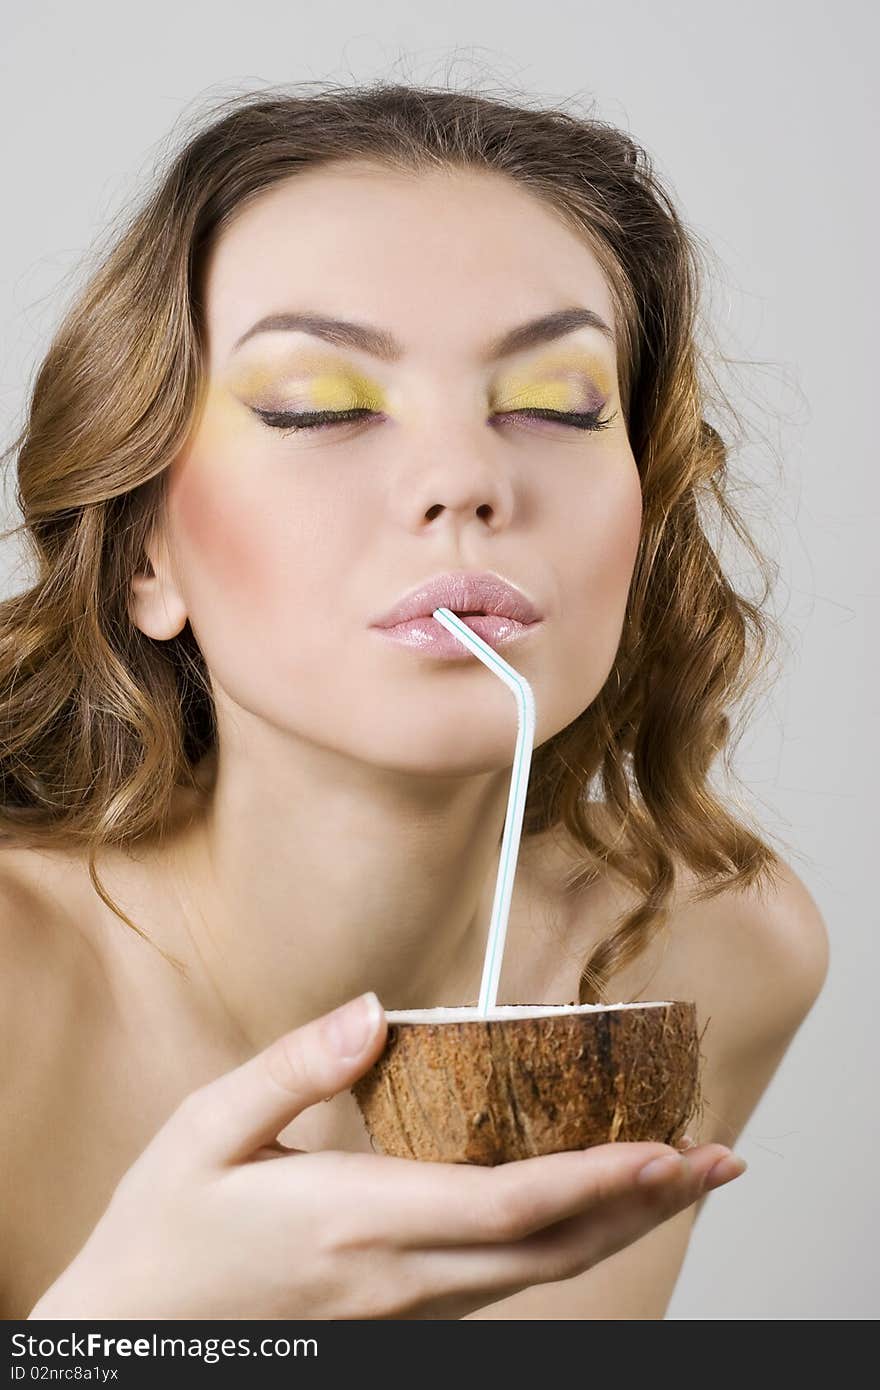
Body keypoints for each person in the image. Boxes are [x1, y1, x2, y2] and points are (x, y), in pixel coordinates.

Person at [0, 81, 829, 1321]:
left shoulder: (719, 953)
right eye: (318, 407)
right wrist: (133, 1316)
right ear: (142, 556)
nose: (465, 477)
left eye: (558, 402)